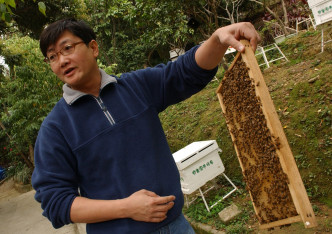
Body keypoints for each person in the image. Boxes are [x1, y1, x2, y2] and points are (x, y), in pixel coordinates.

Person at [31, 18, 260, 234]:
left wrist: (216, 40)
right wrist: (126, 207)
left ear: (93, 48)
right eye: (52, 57)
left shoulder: (135, 87)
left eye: (67, 48)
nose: (61, 61)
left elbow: (184, 72)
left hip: (177, 226)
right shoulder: (54, 129)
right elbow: (56, 203)